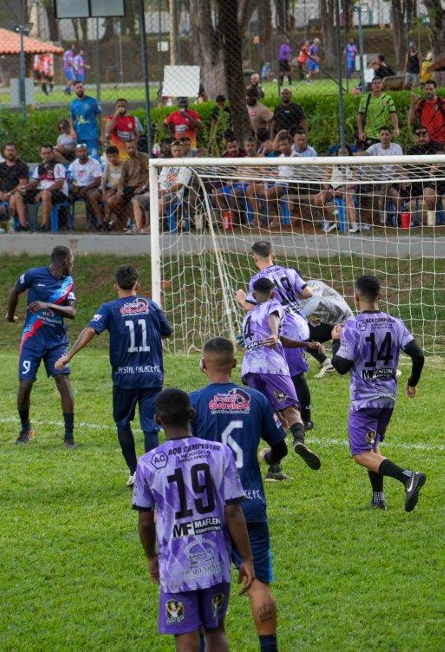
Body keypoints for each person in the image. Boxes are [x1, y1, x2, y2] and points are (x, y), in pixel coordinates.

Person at [132, 387, 254, 652]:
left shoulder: (148, 463)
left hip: (175, 566)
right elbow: (233, 511)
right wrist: (246, 558)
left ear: (157, 420)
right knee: (216, 630)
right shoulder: (219, 452)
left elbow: (145, 521)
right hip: (215, 561)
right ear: (192, 413)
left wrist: (151, 556)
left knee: (185, 637)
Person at [190, 336, 287, 652]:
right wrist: (269, 457)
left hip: (207, 510)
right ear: (234, 363)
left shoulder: (193, 402)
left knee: (204, 587)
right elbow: (280, 447)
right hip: (251, 505)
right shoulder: (256, 399)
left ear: (203, 364)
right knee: (258, 584)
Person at [57, 265, 172, 483]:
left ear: (115, 286)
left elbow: (91, 330)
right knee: (151, 427)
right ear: (137, 284)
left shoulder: (109, 308)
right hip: (151, 374)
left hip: (125, 378)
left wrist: (69, 355)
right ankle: (151, 475)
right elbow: (167, 332)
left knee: (122, 422)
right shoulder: (151, 305)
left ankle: (134, 471)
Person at [330, 274, 427, 510]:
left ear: (356, 297)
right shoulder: (395, 323)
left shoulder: (353, 326)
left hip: (364, 401)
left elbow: (340, 366)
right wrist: (412, 382)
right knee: (372, 445)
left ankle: (407, 477)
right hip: (388, 399)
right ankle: (378, 498)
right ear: (380, 296)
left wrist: (335, 341)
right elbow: (418, 355)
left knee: (361, 453)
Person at [238, 276, 322, 482]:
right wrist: (275, 334)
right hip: (272, 366)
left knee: (275, 419)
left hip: (250, 370)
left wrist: (306, 345)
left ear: (253, 295)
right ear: (273, 293)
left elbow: (279, 339)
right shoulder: (274, 305)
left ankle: (273, 466)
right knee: (291, 407)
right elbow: (274, 319)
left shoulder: (249, 315)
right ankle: (299, 441)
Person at [6, 246, 77, 447]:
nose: (72, 264)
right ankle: (25, 429)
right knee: (25, 385)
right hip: (32, 340)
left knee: (63, 381)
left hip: (57, 342)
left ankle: (69, 435)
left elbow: (72, 312)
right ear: (65, 261)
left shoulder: (68, 283)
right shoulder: (33, 275)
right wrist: (10, 316)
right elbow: (15, 290)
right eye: (72, 260)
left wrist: (48, 305)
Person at [302, 279, 355, 378]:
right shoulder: (291, 297)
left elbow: (314, 302)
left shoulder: (312, 284)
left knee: (342, 362)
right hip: (328, 324)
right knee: (301, 335)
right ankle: (327, 364)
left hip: (344, 322)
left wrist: (300, 317)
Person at [0, 141, 29, 233]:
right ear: (4, 152)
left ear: (16, 151)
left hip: (13, 193)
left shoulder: (22, 166)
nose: (10, 153)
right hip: (2, 193)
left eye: (12, 150)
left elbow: (22, 184)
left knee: (13, 198)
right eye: (8, 150)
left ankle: (11, 223)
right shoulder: (1, 166)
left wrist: (9, 193)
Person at [25, 143, 68, 231]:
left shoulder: (58, 166)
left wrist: (42, 192)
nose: (46, 155)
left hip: (59, 193)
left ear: (53, 153)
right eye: (44, 153)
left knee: (45, 194)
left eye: (48, 153)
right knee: (19, 194)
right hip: (43, 191)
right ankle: (23, 224)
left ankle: (45, 225)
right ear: (40, 154)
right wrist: (24, 188)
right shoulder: (39, 167)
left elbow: (59, 184)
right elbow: (34, 182)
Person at [114, 140, 151, 232]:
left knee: (136, 199)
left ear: (136, 147)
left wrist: (144, 187)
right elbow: (122, 179)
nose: (131, 150)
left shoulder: (144, 157)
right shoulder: (126, 162)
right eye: (128, 148)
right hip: (130, 187)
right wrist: (119, 190)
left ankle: (138, 224)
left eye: (132, 147)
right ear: (125, 149)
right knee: (114, 201)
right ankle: (126, 221)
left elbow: (151, 173)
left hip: (143, 186)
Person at [409, 80, 445, 152]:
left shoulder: (444, 103)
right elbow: (411, 121)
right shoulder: (421, 104)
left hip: (441, 141)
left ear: (435, 89)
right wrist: (412, 105)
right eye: (426, 89)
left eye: (430, 89)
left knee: (440, 159)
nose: (428, 91)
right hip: (426, 141)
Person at [67, 142, 103, 228]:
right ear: (76, 153)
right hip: (77, 187)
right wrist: (73, 185)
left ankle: (92, 223)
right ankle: (67, 223)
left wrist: (85, 189)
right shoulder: (73, 165)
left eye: (84, 151)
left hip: (90, 187)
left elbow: (98, 181)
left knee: (89, 196)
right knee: (65, 197)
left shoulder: (95, 163)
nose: (82, 153)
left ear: (87, 151)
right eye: (80, 151)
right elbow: (70, 178)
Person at [357, 77, 400, 148]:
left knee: (384, 154)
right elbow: (360, 117)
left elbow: (393, 115)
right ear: (372, 86)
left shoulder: (388, 99)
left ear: (382, 85)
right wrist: (360, 132)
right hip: (369, 134)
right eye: (375, 83)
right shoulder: (365, 99)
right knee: (370, 154)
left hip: (384, 135)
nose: (377, 85)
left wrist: (396, 128)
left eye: (379, 83)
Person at [70, 82, 102, 156]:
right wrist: (72, 130)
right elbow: (72, 118)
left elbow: (101, 118)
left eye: (81, 87)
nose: (79, 89)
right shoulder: (73, 103)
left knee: (93, 156)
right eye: (77, 88)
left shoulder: (92, 101)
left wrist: (102, 134)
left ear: (84, 88)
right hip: (79, 136)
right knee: (82, 157)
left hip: (92, 136)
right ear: (74, 90)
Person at [100, 145, 124, 230]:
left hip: (121, 189)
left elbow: (124, 180)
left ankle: (108, 219)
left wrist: (117, 189)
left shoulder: (123, 165)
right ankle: (107, 219)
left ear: (118, 155)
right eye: (109, 157)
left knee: (109, 199)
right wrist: (103, 193)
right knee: (107, 196)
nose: (112, 159)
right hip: (111, 188)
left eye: (114, 156)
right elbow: (104, 181)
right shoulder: (108, 166)